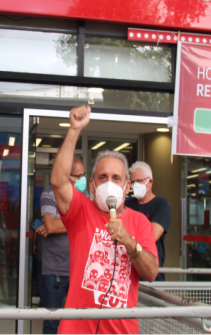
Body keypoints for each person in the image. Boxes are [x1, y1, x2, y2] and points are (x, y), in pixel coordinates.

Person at [51, 106, 159, 335]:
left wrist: (129, 242)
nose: (109, 183)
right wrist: (74, 130)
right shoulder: (81, 210)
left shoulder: (141, 223)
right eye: (103, 177)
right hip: (76, 329)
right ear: (92, 185)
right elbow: (59, 181)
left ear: (127, 187)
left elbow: (151, 272)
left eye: (116, 178)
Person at [35, 156, 85, 334]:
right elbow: (51, 225)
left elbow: (89, 224)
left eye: (83, 175)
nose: (82, 180)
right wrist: (77, 221)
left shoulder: (85, 196)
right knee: (51, 324)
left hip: (80, 272)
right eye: (78, 176)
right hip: (54, 272)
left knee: (78, 323)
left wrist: (57, 224)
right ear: (66, 175)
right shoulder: (50, 193)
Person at [127, 161, 172, 281]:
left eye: (139, 181)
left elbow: (152, 235)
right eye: (133, 182)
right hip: (128, 275)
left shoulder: (161, 205)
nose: (135, 185)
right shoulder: (126, 204)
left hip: (150, 275)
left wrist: (126, 237)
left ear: (150, 182)